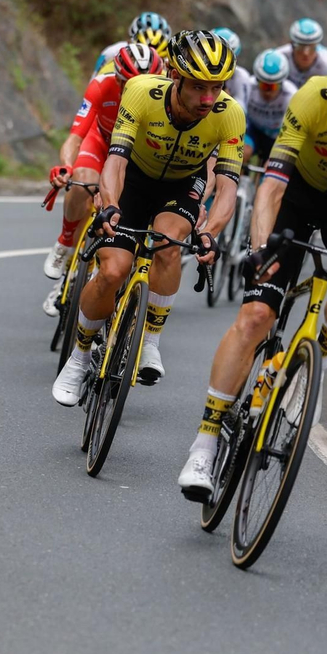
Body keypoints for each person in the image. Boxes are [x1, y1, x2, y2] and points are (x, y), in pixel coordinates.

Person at [176, 29, 327, 499]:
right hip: (297, 195)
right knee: (255, 316)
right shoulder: (313, 98)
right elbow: (270, 186)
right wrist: (258, 250)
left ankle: (320, 355)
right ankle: (205, 443)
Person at [51, 31, 247, 405]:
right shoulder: (142, 92)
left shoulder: (229, 114)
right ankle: (78, 358)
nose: (209, 99)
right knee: (111, 271)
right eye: (199, 87)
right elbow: (116, 161)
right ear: (175, 74)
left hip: (184, 183)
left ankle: (151, 341)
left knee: (168, 245)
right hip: (134, 179)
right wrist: (109, 204)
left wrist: (211, 232)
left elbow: (226, 188)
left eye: (218, 87)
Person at [42, 44, 166, 313]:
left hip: (135, 155)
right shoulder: (101, 85)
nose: (134, 92)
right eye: (127, 84)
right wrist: (65, 166)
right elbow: (75, 137)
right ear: (117, 78)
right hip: (101, 142)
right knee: (82, 180)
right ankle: (65, 243)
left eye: (142, 86)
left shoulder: (165, 100)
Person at [241, 49, 298, 164]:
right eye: (263, 85)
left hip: (276, 136)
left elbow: (291, 132)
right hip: (253, 130)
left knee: (272, 165)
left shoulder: (291, 95)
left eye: (272, 87)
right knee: (242, 153)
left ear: (281, 83)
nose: (267, 92)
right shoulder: (248, 86)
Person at [275, 18, 327, 86]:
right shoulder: (279, 58)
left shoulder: (326, 65)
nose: (306, 53)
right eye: (300, 46)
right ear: (292, 45)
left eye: (311, 47)